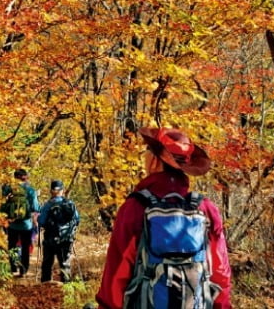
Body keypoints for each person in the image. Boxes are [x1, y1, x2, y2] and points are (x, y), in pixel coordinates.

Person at [95, 127, 232, 309]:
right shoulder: (206, 209)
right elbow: (220, 272)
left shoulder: (135, 208)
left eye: (147, 152)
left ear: (154, 161)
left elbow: (116, 275)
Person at [37, 179, 79, 283]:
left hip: (50, 239)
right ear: (62, 190)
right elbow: (77, 220)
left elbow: (41, 222)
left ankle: (45, 285)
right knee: (65, 263)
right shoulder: (70, 204)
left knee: (47, 263)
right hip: (66, 239)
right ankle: (67, 286)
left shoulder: (48, 205)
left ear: (51, 191)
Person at [2, 168, 40, 277]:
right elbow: (35, 207)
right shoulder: (30, 190)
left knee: (12, 245)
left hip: (11, 223)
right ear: (25, 177)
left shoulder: (8, 189)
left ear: (15, 177)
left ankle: (13, 268)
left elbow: (2, 205)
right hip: (26, 224)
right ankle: (23, 270)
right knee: (25, 246)